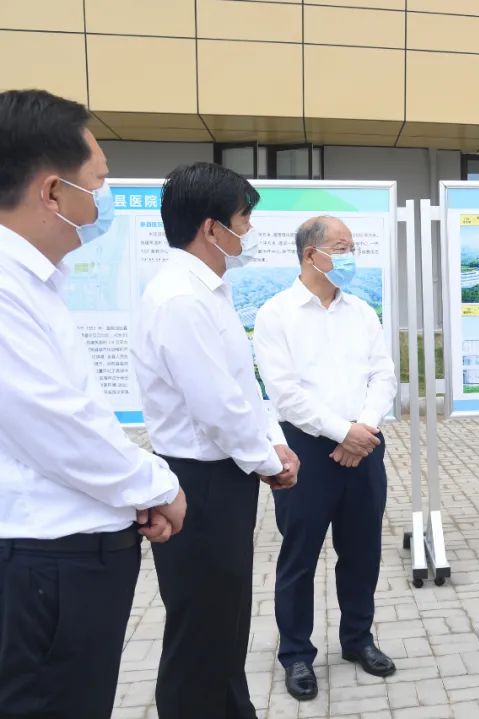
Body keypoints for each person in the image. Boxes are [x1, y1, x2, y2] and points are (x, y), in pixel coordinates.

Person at [0, 89, 186, 719]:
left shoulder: (33, 283)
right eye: (98, 182)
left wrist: (134, 491)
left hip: (64, 559)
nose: (103, 198)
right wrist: (156, 486)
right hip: (46, 565)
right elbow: (53, 425)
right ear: (53, 192)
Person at [132, 162, 300, 719]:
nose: (249, 231)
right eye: (243, 218)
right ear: (211, 228)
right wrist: (266, 461)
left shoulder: (206, 291)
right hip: (199, 483)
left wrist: (271, 442)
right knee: (201, 632)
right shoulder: (181, 299)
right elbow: (215, 406)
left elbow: (240, 386)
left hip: (223, 475)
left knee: (224, 622)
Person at [253, 216, 397, 700]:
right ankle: (296, 653)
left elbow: (383, 376)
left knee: (362, 552)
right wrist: (343, 432)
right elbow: (285, 394)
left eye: (352, 246)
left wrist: (364, 428)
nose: (350, 255)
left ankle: (358, 639)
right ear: (311, 254)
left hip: (365, 444)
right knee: (300, 557)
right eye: (341, 247)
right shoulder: (276, 314)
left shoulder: (362, 311)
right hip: (307, 450)